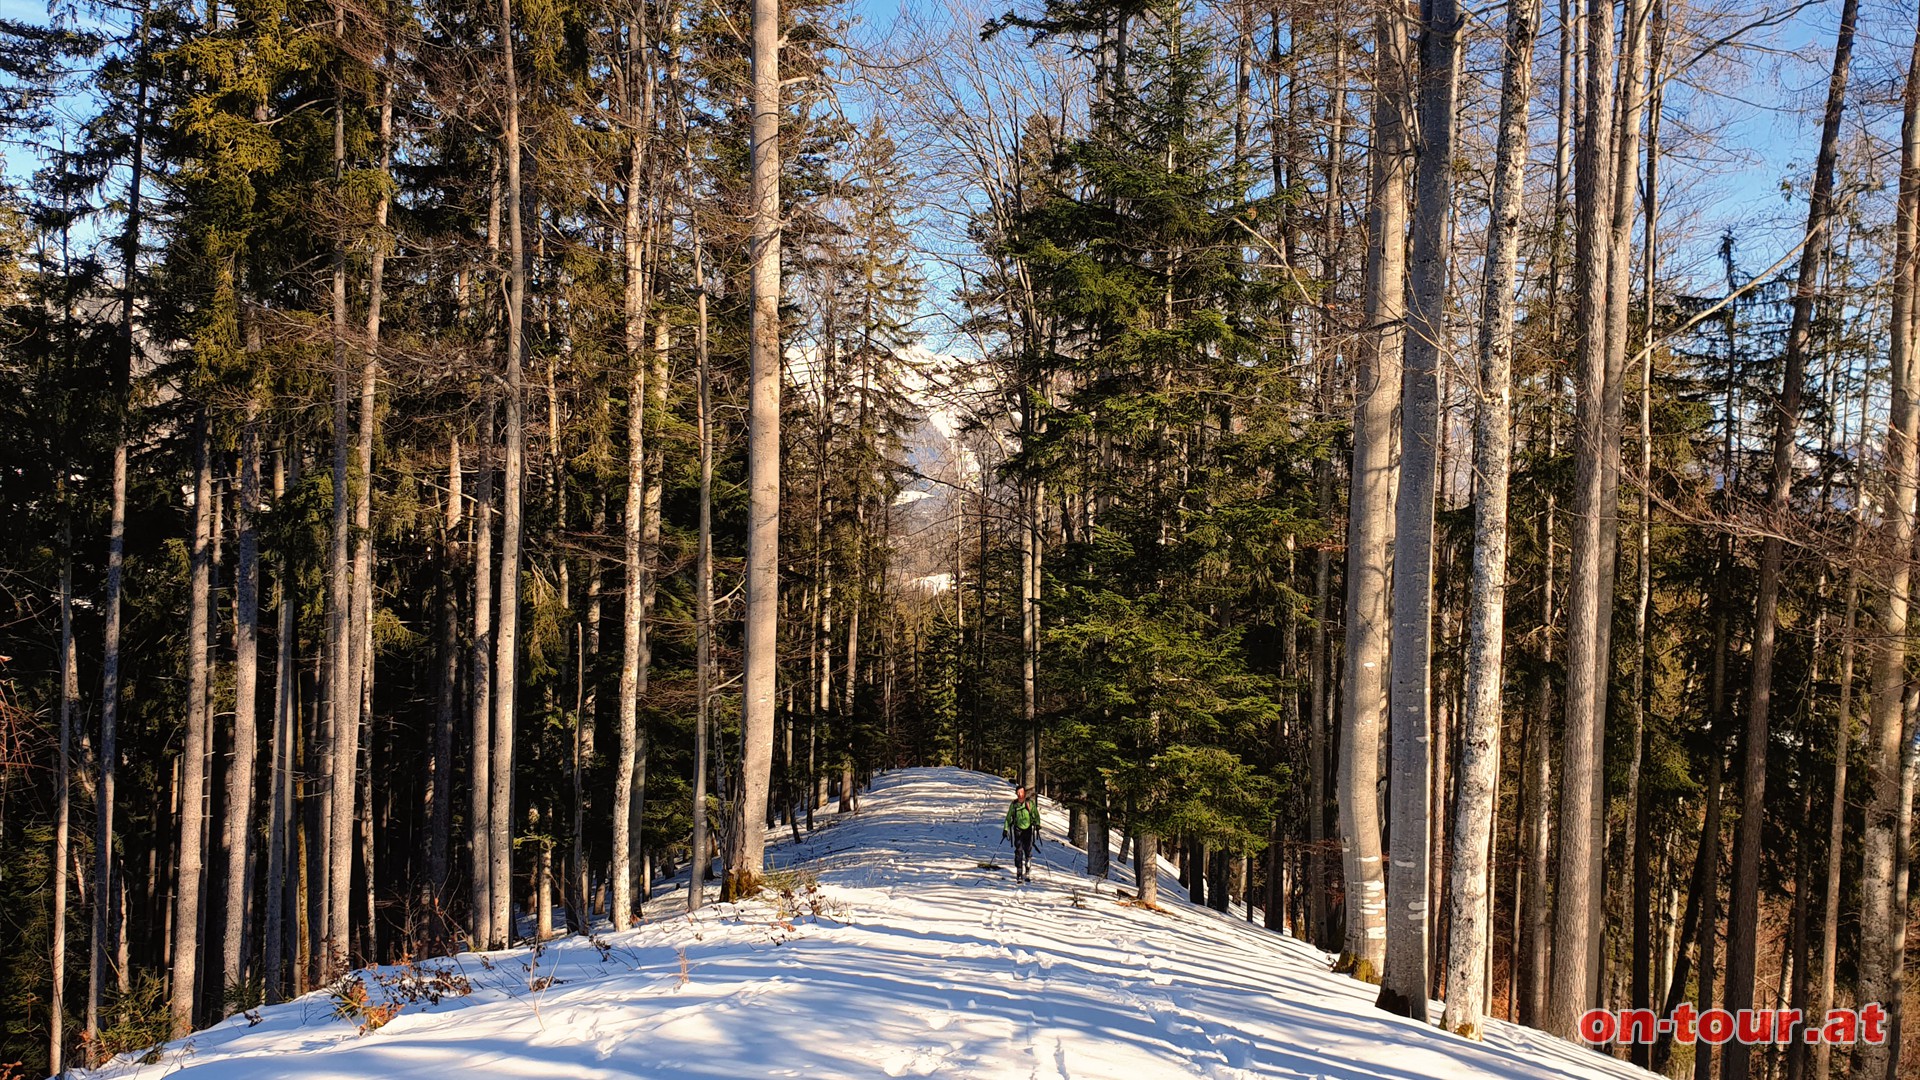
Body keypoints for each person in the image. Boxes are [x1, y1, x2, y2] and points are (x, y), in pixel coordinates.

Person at [1001, 785, 1041, 883]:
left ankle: (1027, 870)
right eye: (1018, 792)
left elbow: (1036, 815)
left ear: (1024, 793)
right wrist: (1005, 829)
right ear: (1016, 793)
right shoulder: (1014, 805)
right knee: (1018, 850)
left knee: (1028, 849)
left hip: (1028, 829)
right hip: (1017, 829)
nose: (1020, 794)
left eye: (1021, 792)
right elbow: (1008, 817)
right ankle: (1019, 872)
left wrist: (1037, 824)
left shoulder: (1030, 804)